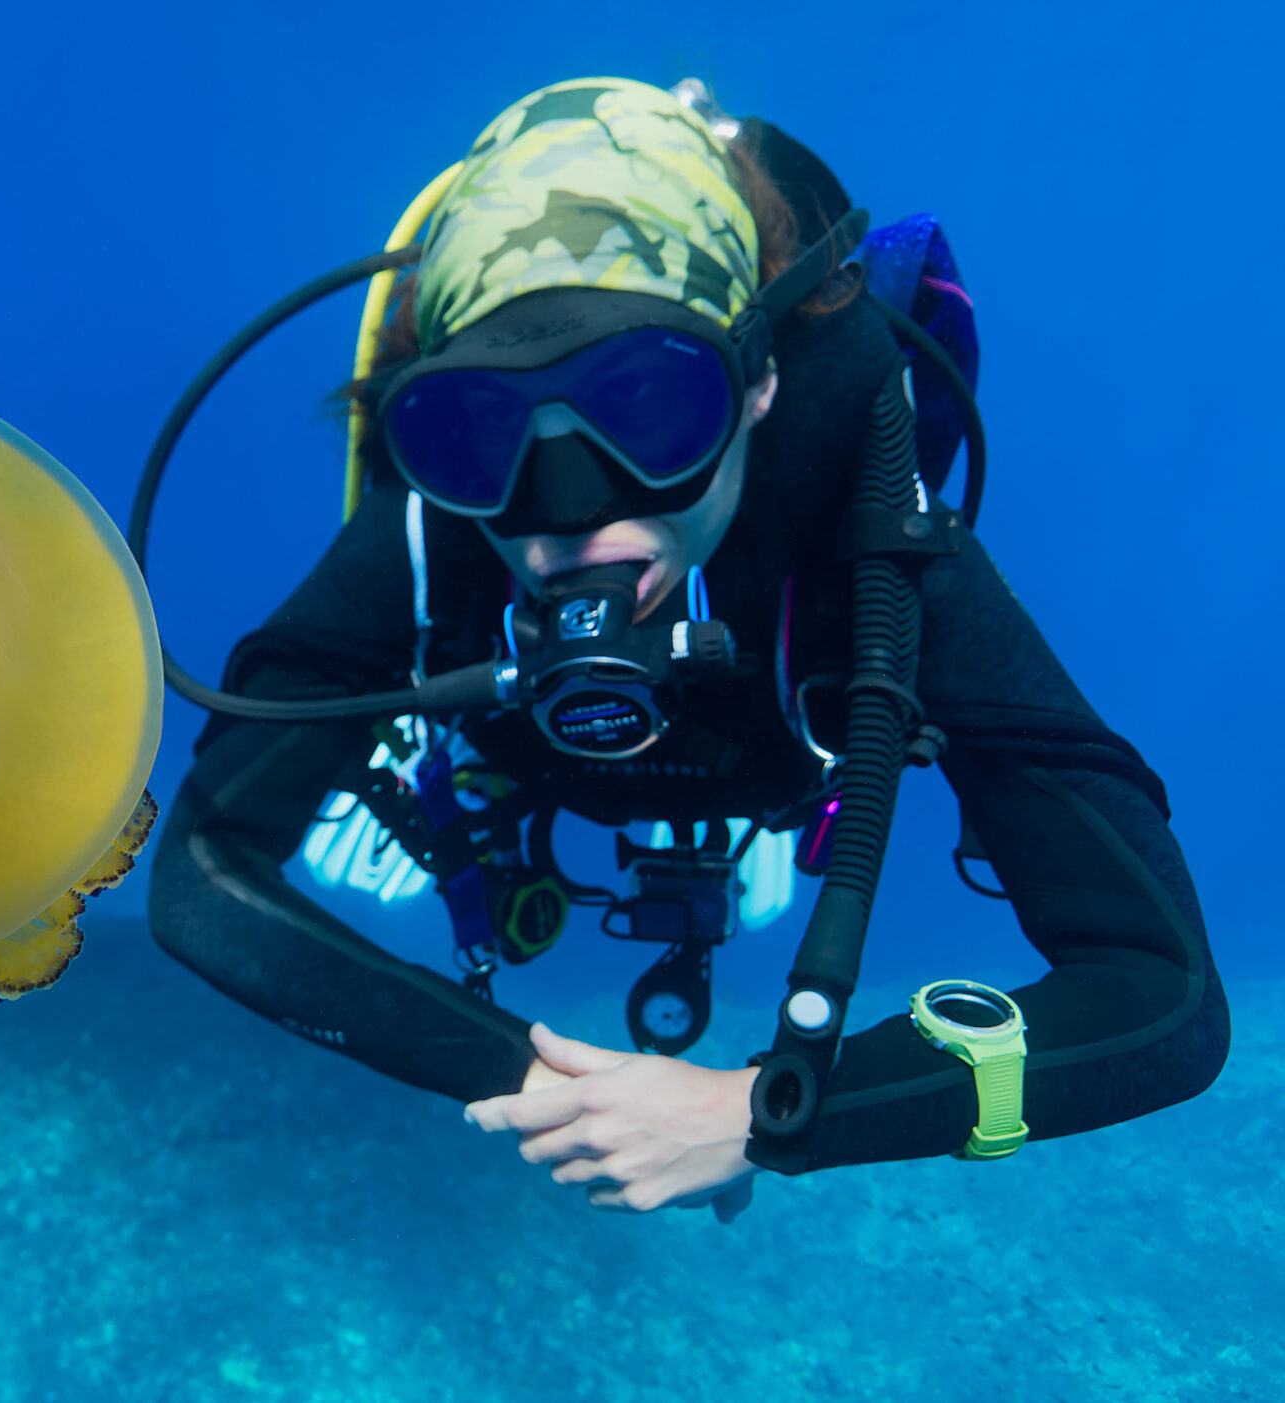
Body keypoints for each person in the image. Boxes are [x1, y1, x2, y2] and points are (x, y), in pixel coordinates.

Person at [141, 78, 1228, 1220]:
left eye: (649, 405)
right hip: (513, 760)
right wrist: (534, 1075)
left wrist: (759, 1114)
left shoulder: (872, 545)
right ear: (437, 435)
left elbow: (1163, 998)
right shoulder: (431, 533)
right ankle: (466, 779)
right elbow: (202, 879)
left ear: (758, 384)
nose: (569, 511)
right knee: (406, 816)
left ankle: (742, 834)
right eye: (484, 430)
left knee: (771, 811)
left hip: (774, 761)